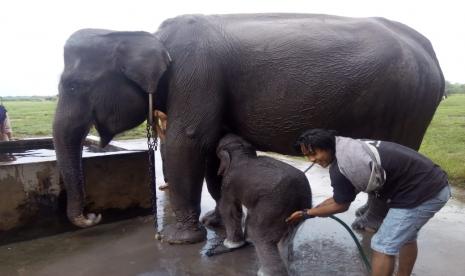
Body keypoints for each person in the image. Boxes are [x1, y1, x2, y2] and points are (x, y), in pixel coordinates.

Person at [286, 129, 451, 276]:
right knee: (406, 237)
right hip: (431, 183)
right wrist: (314, 209)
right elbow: (339, 198)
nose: (311, 160)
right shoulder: (346, 147)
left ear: (327, 147)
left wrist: (307, 214)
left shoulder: (343, 166)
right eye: (306, 155)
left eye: (314, 154)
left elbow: (341, 205)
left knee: (382, 245)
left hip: (423, 193)